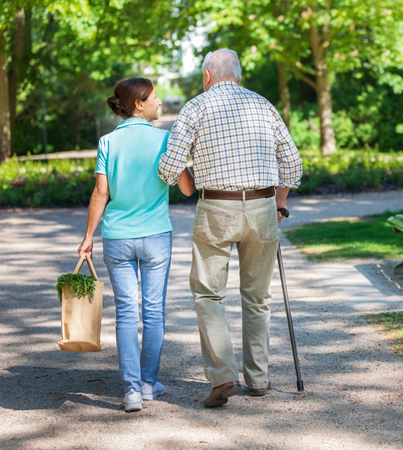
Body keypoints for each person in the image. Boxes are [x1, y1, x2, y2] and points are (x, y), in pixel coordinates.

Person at [158, 49, 302, 407]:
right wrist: (280, 199)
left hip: (216, 206)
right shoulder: (263, 104)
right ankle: (259, 379)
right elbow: (294, 165)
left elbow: (168, 168)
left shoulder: (196, 107)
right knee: (257, 297)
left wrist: (188, 174)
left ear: (208, 75)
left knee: (208, 294)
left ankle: (223, 378)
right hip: (263, 206)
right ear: (237, 75)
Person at [78, 77, 195, 412]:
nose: (160, 102)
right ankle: (147, 384)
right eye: (155, 97)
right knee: (153, 311)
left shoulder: (108, 142)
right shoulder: (165, 139)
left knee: (127, 313)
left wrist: (88, 237)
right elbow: (187, 189)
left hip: (116, 237)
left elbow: (101, 193)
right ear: (139, 103)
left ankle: (130, 391)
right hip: (156, 236)